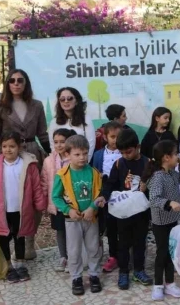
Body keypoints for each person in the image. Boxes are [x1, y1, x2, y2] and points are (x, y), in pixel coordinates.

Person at [0, 69, 50, 260]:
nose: (16, 83)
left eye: (20, 80)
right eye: (12, 80)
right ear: (7, 84)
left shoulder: (37, 105)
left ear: (26, 83)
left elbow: (42, 133)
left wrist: (52, 153)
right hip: (9, 154)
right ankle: (10, 239)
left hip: (32, 153)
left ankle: (29, 241)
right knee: (12, 198)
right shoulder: (0, 106)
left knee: (33, 198)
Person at [0, 132, 45, 283]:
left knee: (20, 236)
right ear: (0, 147)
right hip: (1, 212)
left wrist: (40, 203)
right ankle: (8, 266)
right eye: (4, 146)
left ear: (19, 146)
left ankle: (21, 265)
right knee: (3, 238)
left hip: (22, 210)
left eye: (12, 146)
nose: (8, 150)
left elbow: (36, 186)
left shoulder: (28, 165)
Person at [52, 135, 106, 296]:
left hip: (91, 218)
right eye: (77, 154)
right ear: (68, 154)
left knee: (93, 248)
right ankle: (76, 278)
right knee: (74, 250)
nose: (82, 157)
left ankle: (94, 275)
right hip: (72, 220)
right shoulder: (62, 175)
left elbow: (99, 193)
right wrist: (68, 210)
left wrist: (92, 208)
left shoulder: (94, 173)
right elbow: (56, 197)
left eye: (84, 153)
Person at [101, 127, 153, 289]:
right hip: (123, 213)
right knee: (122, 243)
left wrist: (146, 187)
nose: (125, 155)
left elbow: (155, 187)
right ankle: (123, 272)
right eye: (122, 152)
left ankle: (139, 270)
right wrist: (104, 196)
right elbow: (110, 184)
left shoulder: (148, 164)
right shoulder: (119, 163)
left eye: (129, 152)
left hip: (141, 213)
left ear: (138, 147)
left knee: (139, 242)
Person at [142, 140, 180, 301]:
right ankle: (158, 285)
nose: (178, 156)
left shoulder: (172, 173)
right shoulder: (158, 177)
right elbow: (154, 199)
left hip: (172, 220)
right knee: (162, 253)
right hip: (161, 221)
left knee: (171, 252)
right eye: (176, 154)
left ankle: (170, 283)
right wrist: (170, 203)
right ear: (166, 157)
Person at [42, 128, 76, 272]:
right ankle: (63, 257)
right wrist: (44, 201)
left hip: (71, 204)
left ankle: (73, 258)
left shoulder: (74, 159)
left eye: (62, 142)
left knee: (72, 231)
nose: (59, 145)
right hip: (56, 203)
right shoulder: (48, 161)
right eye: (56, 142)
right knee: (60, 230)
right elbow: (44, 181)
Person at [91, 121, 123, 273]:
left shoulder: (124, 153)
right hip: (105, 194)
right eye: (112, 136)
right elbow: (94, 173)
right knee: (109, 227)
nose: (115, 140)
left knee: (122, 226)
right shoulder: (98, 155)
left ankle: (124, 253)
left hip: (122, 195)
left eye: (118, 136)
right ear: (105, 137)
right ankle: (112, 256)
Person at [49, 87, 96, 159]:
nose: (66, 101)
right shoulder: (54, 122)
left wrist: (84, 161)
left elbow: (90, 143)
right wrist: (58, 162)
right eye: (62, 99)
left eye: (70, 98)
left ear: (76, 101)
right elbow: (53, 145)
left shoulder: (86, 119)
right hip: (61, 165)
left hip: (81, 162)